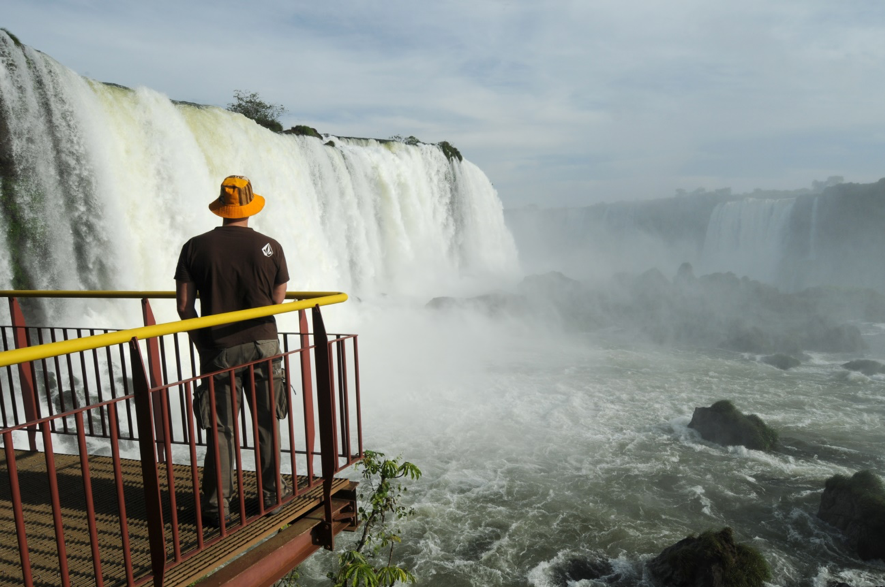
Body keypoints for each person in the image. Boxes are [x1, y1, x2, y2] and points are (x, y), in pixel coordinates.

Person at [174, 175, 291, 526]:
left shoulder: (195, 246)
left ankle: (216, 508)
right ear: (250, 208)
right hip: (264, 344)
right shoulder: (270, 246)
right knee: (267, 423)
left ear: (222, 209)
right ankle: (273, 497)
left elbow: (183, 306)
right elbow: (277, 299)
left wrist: (203, 342)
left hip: (219, 348)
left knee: (221, 429)